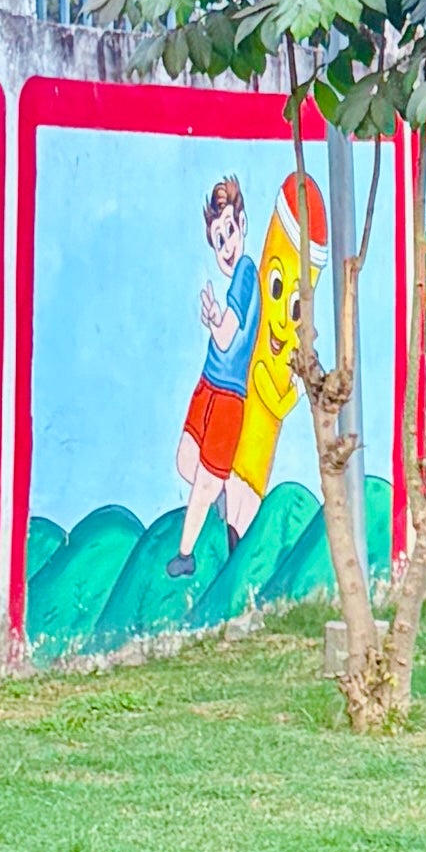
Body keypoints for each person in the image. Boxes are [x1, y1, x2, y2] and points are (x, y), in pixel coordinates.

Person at [175, 173, 261, 562]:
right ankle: (230, 511)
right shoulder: (235, 274)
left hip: (228, 395)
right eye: (218, 240)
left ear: (242, 224)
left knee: (207, 479)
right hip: (209, 382)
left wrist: (213, 318)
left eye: (228, 231)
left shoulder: (245, 272)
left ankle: (185, 554)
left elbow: (227, 335)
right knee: (186, 460)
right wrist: (214, 317)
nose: (226, 246)